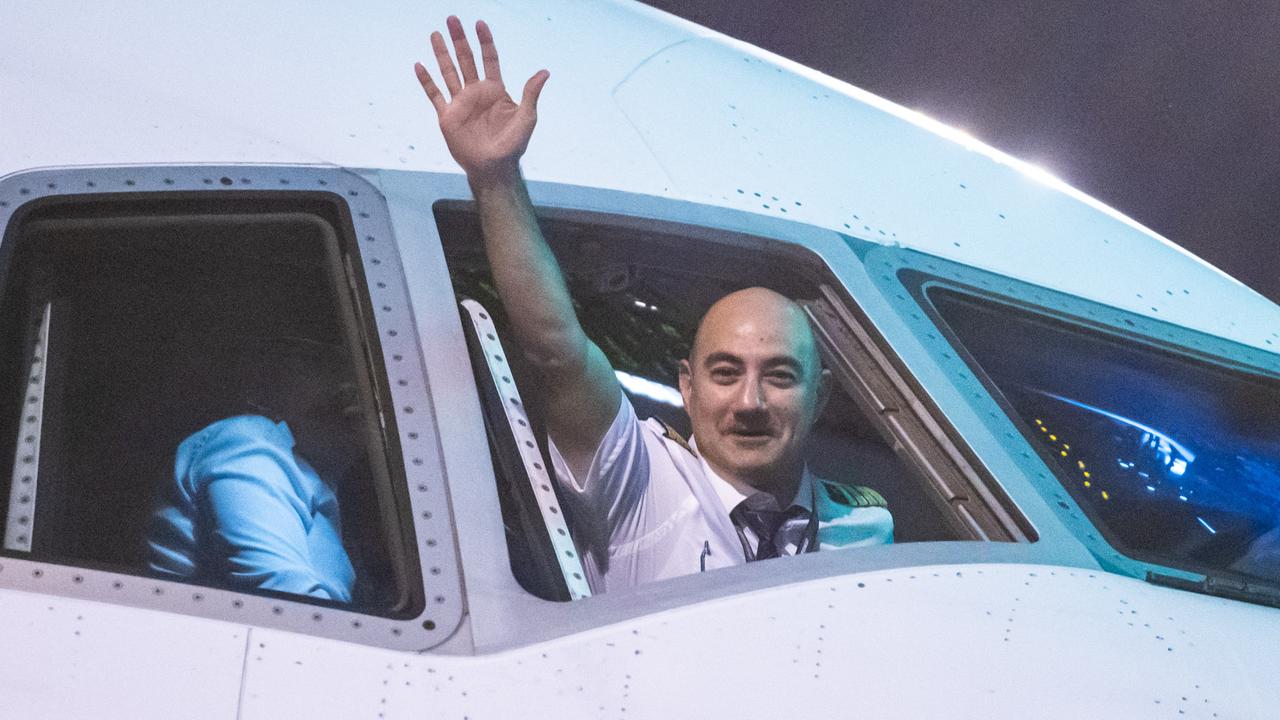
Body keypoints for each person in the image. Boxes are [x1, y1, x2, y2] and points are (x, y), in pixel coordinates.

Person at [414, 17, 892, 592]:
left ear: (822, 397)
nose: (749, 402)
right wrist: (495, 179)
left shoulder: (868, 530)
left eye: (782, 376)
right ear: (686, 387)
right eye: (724, 373)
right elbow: (556, 350)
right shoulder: (640, 479)